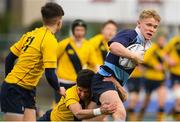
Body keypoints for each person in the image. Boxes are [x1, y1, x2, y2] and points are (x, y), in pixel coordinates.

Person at [89, 9, 161, 121]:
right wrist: (133, 56)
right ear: (138, 23)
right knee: (120, 112)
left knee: (94, 118)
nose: (152, 29)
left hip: (112, 82)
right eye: (148, 25)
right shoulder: (130, 34)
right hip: (104, 80)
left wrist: (119, 86)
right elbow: (113, 46)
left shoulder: (145, 44)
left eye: (155, 27)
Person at [0, 2, 65, 121]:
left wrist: (8, 79)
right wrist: (59, 88)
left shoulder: (31, 34)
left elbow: (10, 58)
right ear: (59, 22)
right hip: (15, 89)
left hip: (27, 89)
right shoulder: (50, 40)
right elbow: (50, 73)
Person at [38, 69, 116, 121]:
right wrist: (100, 111)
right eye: (80, 90)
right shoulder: (70, 93)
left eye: (86, 92)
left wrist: (117, 84)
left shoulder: (97, 91)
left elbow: (123, 98)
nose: (82, 94)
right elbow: (78, 114)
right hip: (51, 120)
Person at [54, 19, 99, 103]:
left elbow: (95, 65)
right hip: (62, 81)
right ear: (73, 30)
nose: (79, 32)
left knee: (75, 106)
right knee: (58, 106)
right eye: (77, 30)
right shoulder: (64, 43)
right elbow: (53, 60)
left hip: (77, 83)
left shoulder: (88, 46)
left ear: (85, 31)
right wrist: (54, 75)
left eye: (82, 30)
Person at [137, 33, 167, 121]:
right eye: (161, 40)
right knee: (146, 102)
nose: (162, 42)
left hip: (160, 79)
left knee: (162, 102)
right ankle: (139, 118)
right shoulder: (152, 48)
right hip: (149, 78)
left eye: (164, 40)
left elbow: (165, 64)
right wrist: (154, 66)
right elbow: (143, 61)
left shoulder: (165, 50)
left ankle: (160, 120)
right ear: (157, 40)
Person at [163, 36, 180, 120]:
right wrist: (169, 60)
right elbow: (164, 54)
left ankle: (172, 113)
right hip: (176, 74)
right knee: (178, 98)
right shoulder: (174, 41)